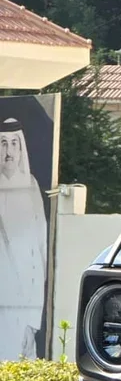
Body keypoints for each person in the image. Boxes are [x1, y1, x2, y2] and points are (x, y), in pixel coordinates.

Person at [0, 117, 49, 360]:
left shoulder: (31, 187)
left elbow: (39, 255)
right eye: (3, 143)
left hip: (24, 309)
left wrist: (33, 320)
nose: (9, 152)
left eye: (14, 143)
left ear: (21, 148)